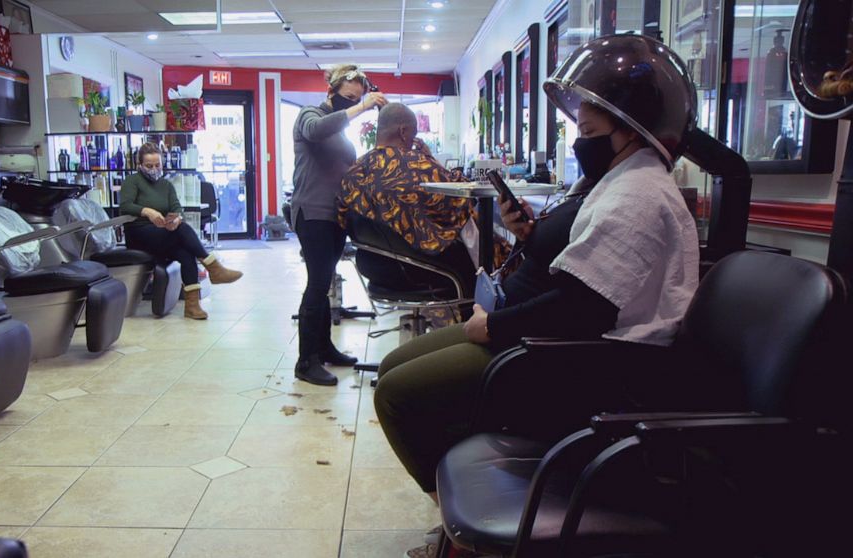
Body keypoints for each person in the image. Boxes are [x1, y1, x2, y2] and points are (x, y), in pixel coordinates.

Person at [374, 35, 702, 558]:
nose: (580, 142)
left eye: (590, 131)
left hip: (579, 361)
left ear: (633, 131)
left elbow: (584, 309)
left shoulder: (639, 195)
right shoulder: (616, 181)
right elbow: (581, 268)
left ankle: (461, 535)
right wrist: (528, 240)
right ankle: (455, 517)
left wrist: (493, 327)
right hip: (536, 335)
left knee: (398, 393)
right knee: (394, 365)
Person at [291, 64, 388, 386]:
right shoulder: (309, 115)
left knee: (326, 281)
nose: (352, 104)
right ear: (331, 92)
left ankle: (325, 348)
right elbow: (316, 131)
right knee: (317, 284)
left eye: (357, 98)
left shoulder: (340, 129)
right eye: (348, 98)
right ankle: (306, 361)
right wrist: (362, 107)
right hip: (313, 213)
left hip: (335, 215)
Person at [338, 103, 477, 293]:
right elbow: (463, 192)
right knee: (481, 256)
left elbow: (342, 218)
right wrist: (431, 160)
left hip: (371, 263)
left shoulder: (354, 170)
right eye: (414, 133)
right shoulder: (417, 163)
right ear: (403, 131)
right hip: (418, 266)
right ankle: (483, 316)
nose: (413, 140)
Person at [119, 143, 242, 319]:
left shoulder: (166, 185)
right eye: (149, 166)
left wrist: (176, 218)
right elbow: (125, 206)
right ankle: (214, 268)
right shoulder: (132, 181)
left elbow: (177, 207)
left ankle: (192, 306)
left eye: (157, 165)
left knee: (186, 252)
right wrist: (148, 211)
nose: (154, 169)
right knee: (182, 231)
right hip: (139, 234)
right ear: (140, 165)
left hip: (161, 234)